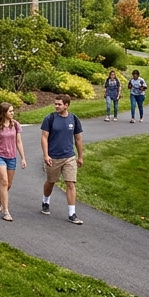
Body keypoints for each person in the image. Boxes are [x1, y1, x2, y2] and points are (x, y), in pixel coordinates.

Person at [40, 95, 85, 224]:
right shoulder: (50, 118)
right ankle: (45, 201)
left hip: (69, 157)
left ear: (66, 105)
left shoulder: (74, 119)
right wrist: (46, 155)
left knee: (70, 183)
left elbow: (78, 139)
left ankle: (72, 214)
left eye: (59, 104)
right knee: (51, 182)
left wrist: (80, 156)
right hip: (53, 157)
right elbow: (44, 137)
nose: (57, 106)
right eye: (56, 104)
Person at [0, 102, 26, 222]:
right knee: (4, 181)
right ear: (4, 112)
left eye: (13, 111)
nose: (13, 113)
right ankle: (6, 211)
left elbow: (18, 142)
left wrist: (23, 157)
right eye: (10, 111)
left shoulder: (16, 125)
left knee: (9, 184)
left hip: (11, 157)